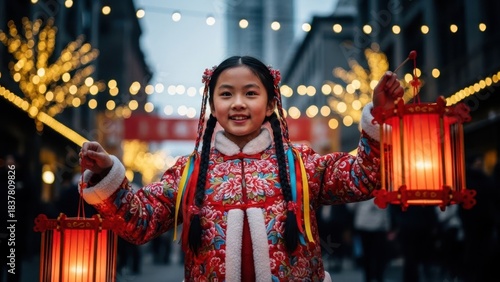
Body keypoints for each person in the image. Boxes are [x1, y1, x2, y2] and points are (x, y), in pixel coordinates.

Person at [78, 55, 404, 281]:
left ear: (271, 103)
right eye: (226, 94)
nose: (238, 103)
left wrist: (379, 116)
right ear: (212, 104)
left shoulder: (301, 163)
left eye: (250, 93)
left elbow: (363, 177)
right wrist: (108, 173)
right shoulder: (188, 171)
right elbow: (140, 221)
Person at [348, 198, 391, 282]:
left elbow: (351, 206)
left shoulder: (362, 187)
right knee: (376, 256)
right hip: (372, 226)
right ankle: (376, 277)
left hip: (369, 225)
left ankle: (371, 277)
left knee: (370, 255)